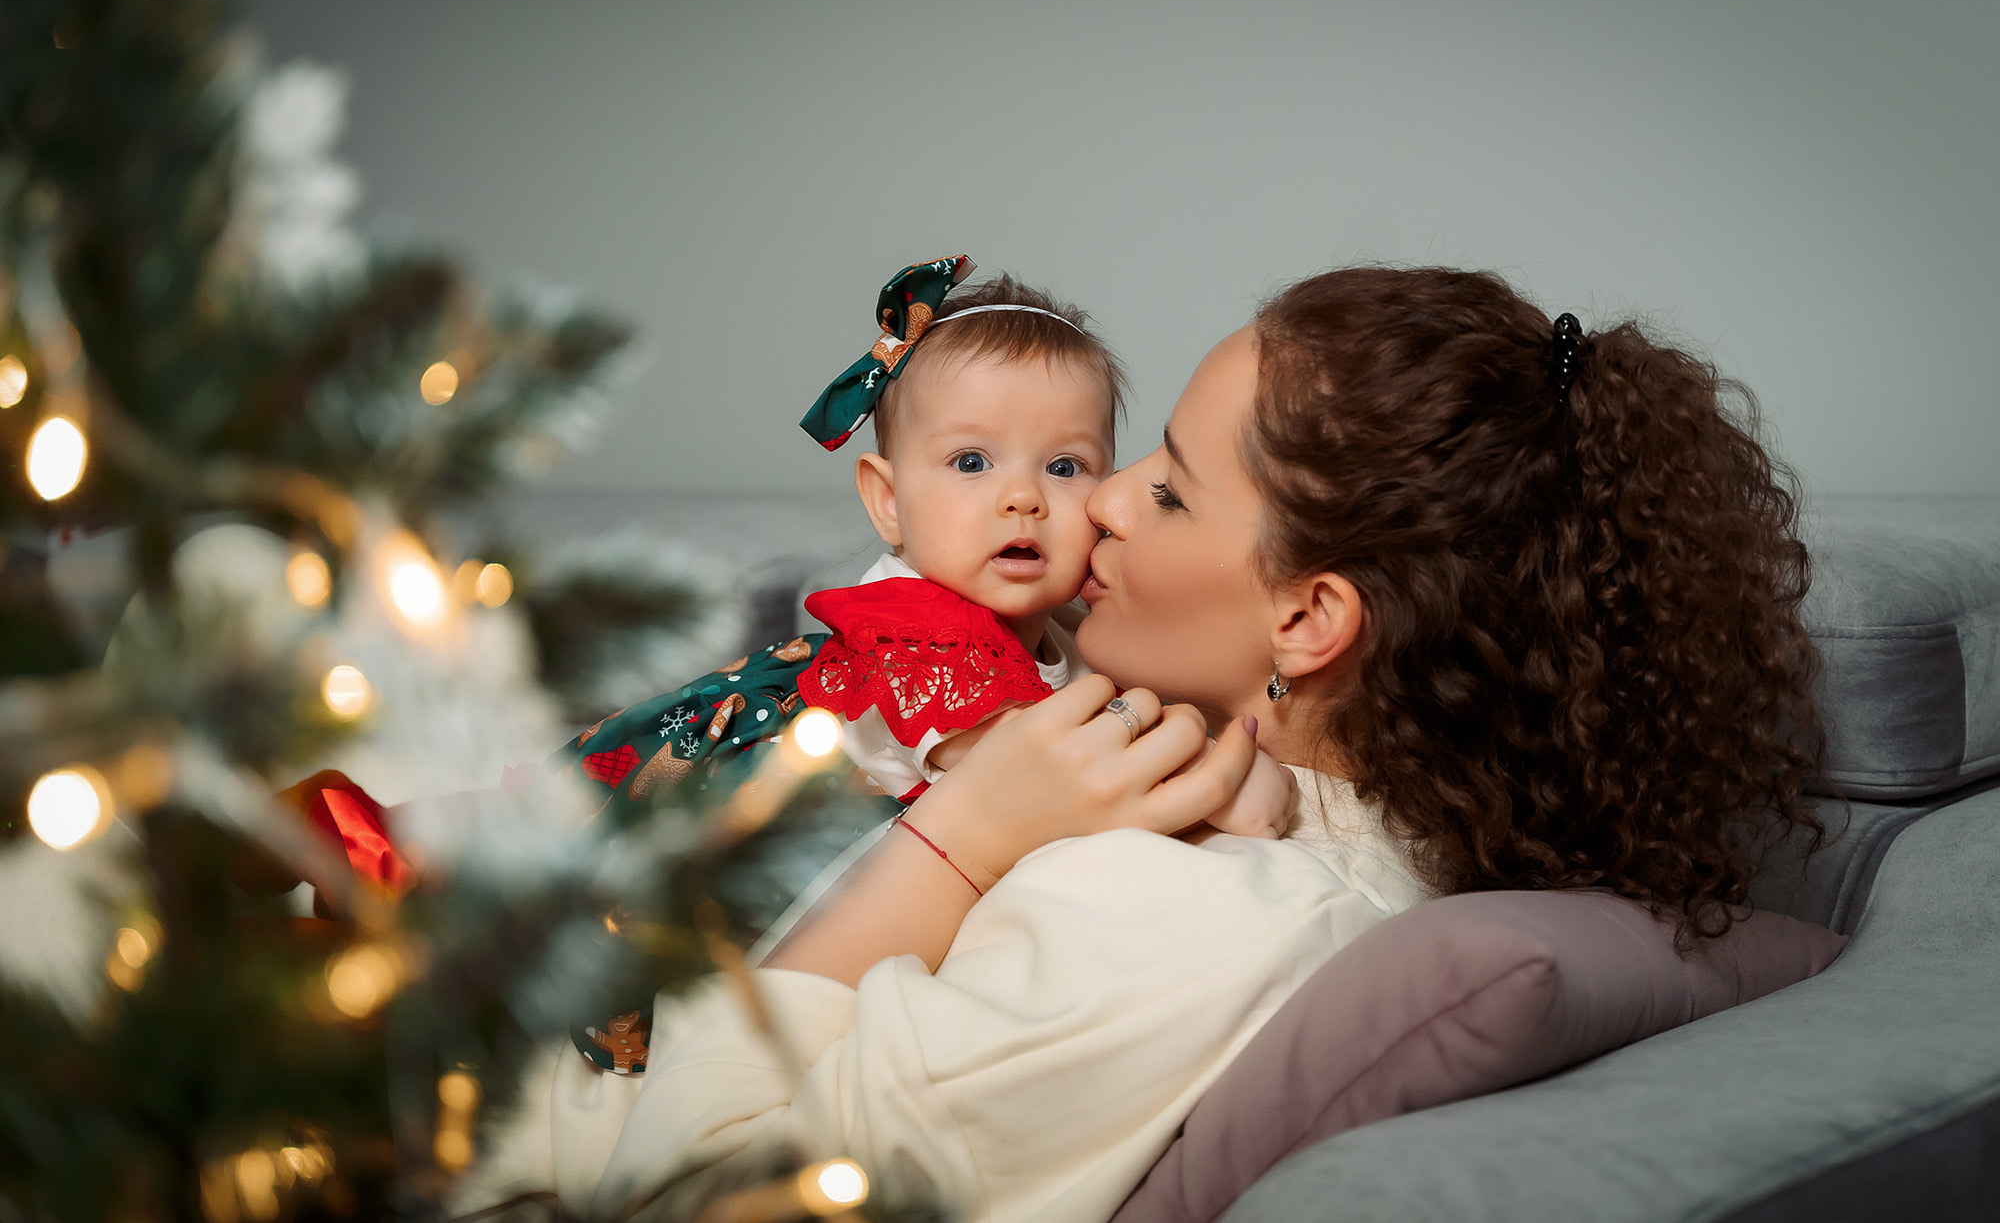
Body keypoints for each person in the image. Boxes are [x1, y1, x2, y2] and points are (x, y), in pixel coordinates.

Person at [460, 266, 1822, 1223]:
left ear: (1305, 615)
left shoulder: (1171, 916)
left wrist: (958, 838)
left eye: (1164, 482)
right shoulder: (1219, 789)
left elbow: (681, 1189)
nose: (1093, 499)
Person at [795, 255, 1297, 837]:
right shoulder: (905, 630)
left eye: (1064, 466)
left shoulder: (1073, 627)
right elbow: (1049, 768)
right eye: (972, 462)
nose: (1023, 498)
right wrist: (1215, 777)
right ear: (888, 501)